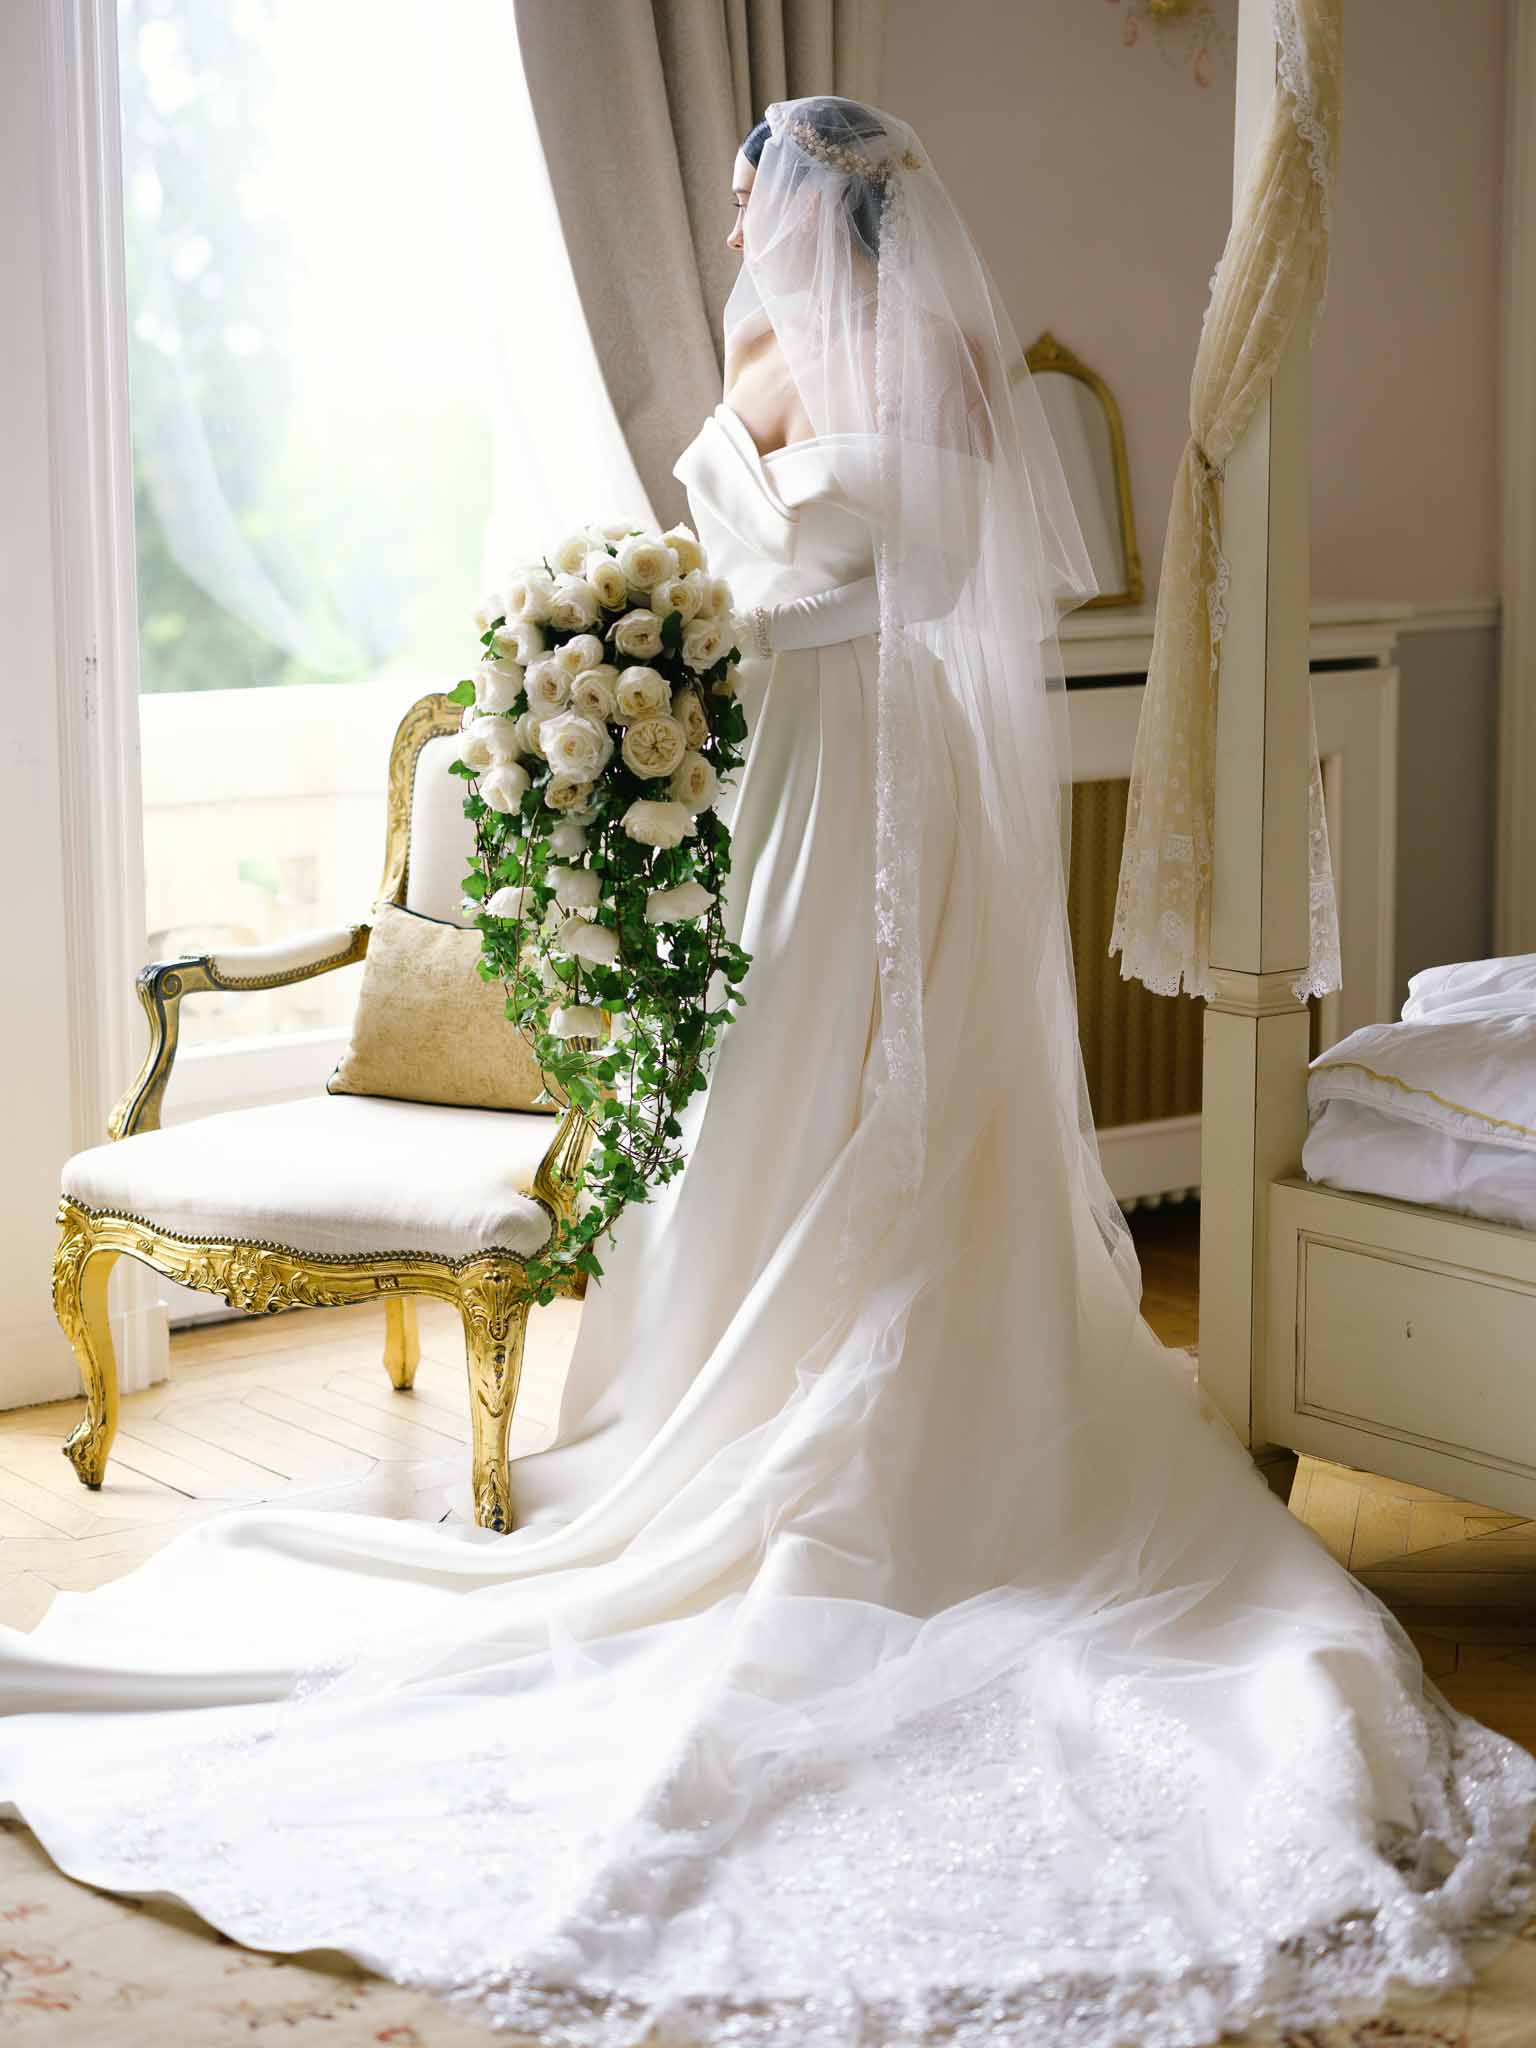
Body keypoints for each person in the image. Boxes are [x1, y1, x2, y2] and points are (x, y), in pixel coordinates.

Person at [2, 95, 1533, 2048]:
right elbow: (841, 545)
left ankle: (869, 1399)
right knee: (829, 1073)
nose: (729, 230)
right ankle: (810, 1356)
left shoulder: (851, 356)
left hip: (864, 760)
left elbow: (798, 543)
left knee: (849, 1063)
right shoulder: (876, 355)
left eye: (742, 200)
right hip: (856, 749)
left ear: (804, 205)